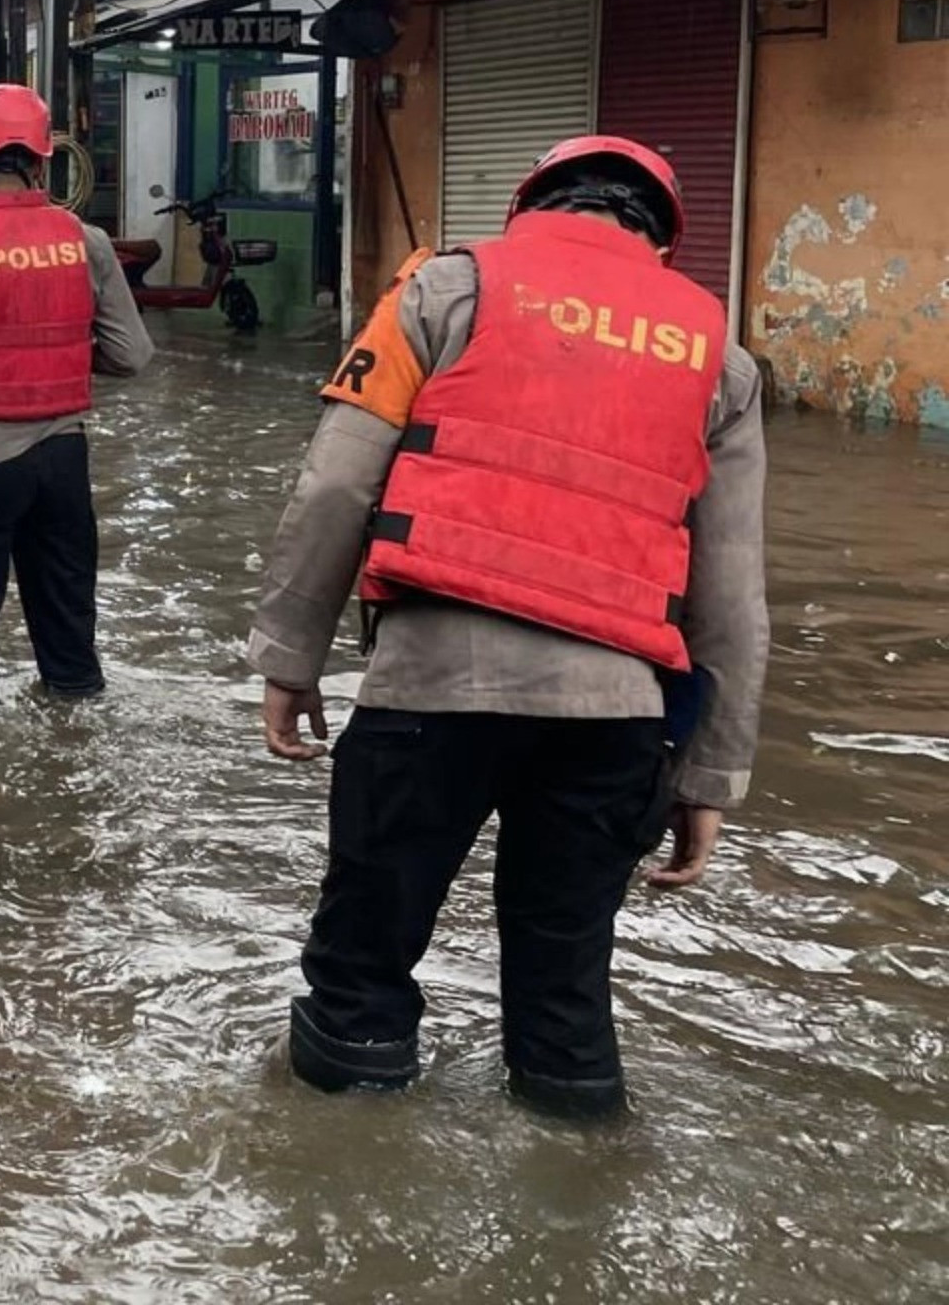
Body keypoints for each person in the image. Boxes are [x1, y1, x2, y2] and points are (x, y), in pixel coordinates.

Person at [250, 136, 769, 1120]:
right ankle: (576, 1181)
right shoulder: (719, 359)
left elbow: (332, 487)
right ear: (658, 236)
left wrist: (290, 658)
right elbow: (731, 599)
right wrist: (709, 776)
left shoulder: (442, 293)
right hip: (614, 719)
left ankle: (336, 1183)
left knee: (361, 971)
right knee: (565, 992)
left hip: (426, 698)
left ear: (531, 204)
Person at [0, 83, 154, 708]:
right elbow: (133, 355)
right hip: (64, 460)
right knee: (73, 653)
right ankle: (73, 764)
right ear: (45, 161)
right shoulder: (89, 242)